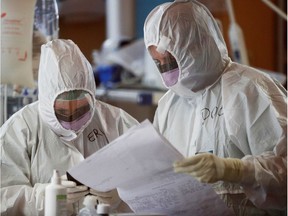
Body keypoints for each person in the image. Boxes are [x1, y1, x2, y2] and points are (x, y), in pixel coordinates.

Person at [143, 0, 287, 215]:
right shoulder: (169, 104)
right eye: (158, 63)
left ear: (199, 45)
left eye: (171, 61)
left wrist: (236, 170)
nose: (166, 71)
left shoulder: (250, 89)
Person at [0, 39, 139, 215]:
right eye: (63, 112)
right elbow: (3, 197)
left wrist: (123, 194)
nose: (73, 118)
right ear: (47, 102)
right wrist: (43, 197)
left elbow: (153, 181)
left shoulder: (116, 122)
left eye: (81, 109)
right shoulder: (20, 129)